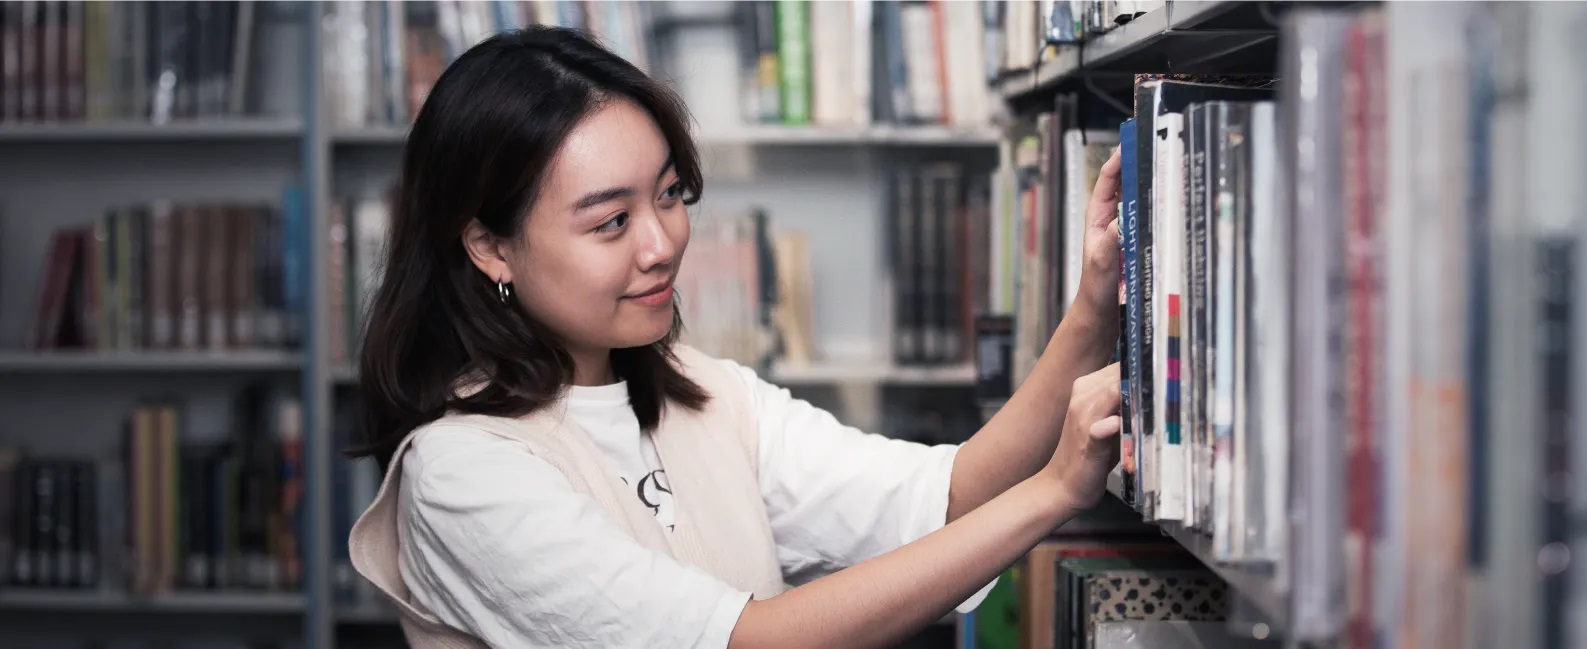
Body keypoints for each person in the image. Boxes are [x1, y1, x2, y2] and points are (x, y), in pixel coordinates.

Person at [346, 26, 1123, 649]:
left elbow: (947, 497)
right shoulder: (460, 474)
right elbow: (750, 641)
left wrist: (1093, 308)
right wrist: (1055, 490)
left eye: (669, 194)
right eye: (611, 221)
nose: (661, 244)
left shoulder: (703, 390)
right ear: (489, 246)